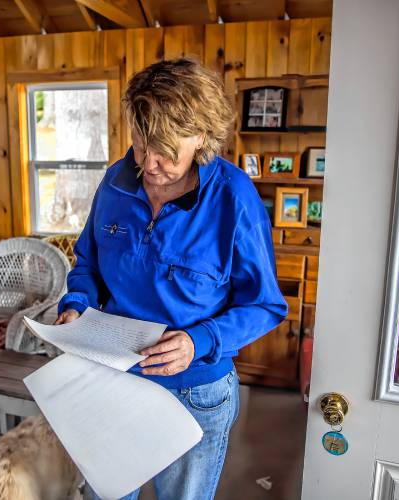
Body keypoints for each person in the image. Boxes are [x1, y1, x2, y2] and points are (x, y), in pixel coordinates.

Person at [55, 58, 288, 500]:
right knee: (106, 493)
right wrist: (76, 306)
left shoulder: (233, 197)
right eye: (142, 146)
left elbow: (265, 304)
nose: (151, 164)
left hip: (195, 391)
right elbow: (87, 263)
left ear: (201, 137)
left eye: (165, 150)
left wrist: (197, 342)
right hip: (114, 376)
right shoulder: (116, 182)